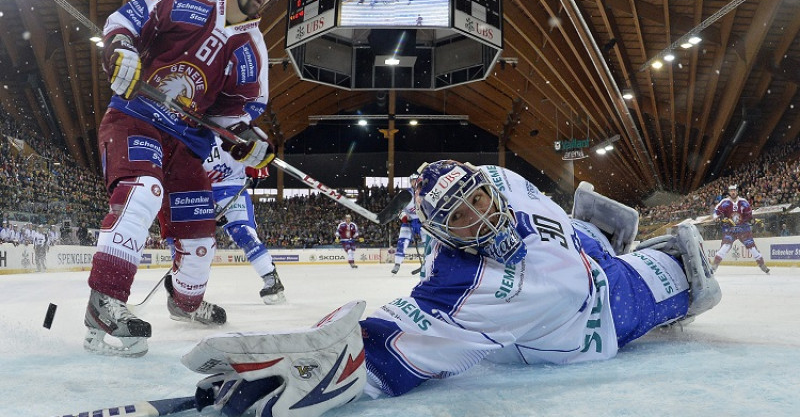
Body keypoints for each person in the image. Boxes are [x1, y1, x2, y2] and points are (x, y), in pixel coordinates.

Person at [180, 160, 722, 417]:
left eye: (477, 199)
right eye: (458, 217)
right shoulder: (459, 292)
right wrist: (322, 361)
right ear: (439, 235)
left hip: (581, 249)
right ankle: (638, 262)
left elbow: (505, 193)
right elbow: (385, 347)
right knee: (689, 270)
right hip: (598, 314)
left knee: (585, 231)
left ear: (488, 185)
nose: (477, 216)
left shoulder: (503, 180)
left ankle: (599, 233)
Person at [83, 0, 288, 358]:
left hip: (188, 144)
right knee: (143, 192)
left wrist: (248, 140)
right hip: (135, 117)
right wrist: (122, 48)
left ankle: (185, 303)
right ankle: (104, 300)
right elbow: (124, 20)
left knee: (199, 243)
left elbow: (234, 117)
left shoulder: (252, 50)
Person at [204, 135, 285, 304]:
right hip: (198, 189)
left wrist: (258, 165)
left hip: (231, 184)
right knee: (189, 236)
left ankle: (270, 277)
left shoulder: (234, 122)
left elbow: (261, 146)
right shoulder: (185, 124)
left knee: (241, 232)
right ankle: (184, 289)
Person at [710, 185, 769, 274]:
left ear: (737, 191)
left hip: (743, 228)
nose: (733, 192)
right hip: (730, 228)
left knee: (751, 247)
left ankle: (762, 265)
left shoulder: (744, 202)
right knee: (725, 247)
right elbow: (716, 212)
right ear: (729, 192)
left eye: (734, 190)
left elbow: (749, 215)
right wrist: (716, 218)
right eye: (731, 191)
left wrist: (752, 220)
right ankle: (714, 266)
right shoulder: (724, 202)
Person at [391, 181, 422, 275]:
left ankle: (430, 262)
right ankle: (397, 263)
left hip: (423, 222)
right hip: (409, 222)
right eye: (412, 181)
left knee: (429, 242)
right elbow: (397, 208)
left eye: (416, 181)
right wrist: (403, 216)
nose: (414, 183)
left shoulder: (425, 192)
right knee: (402, 241)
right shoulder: (405, 194)